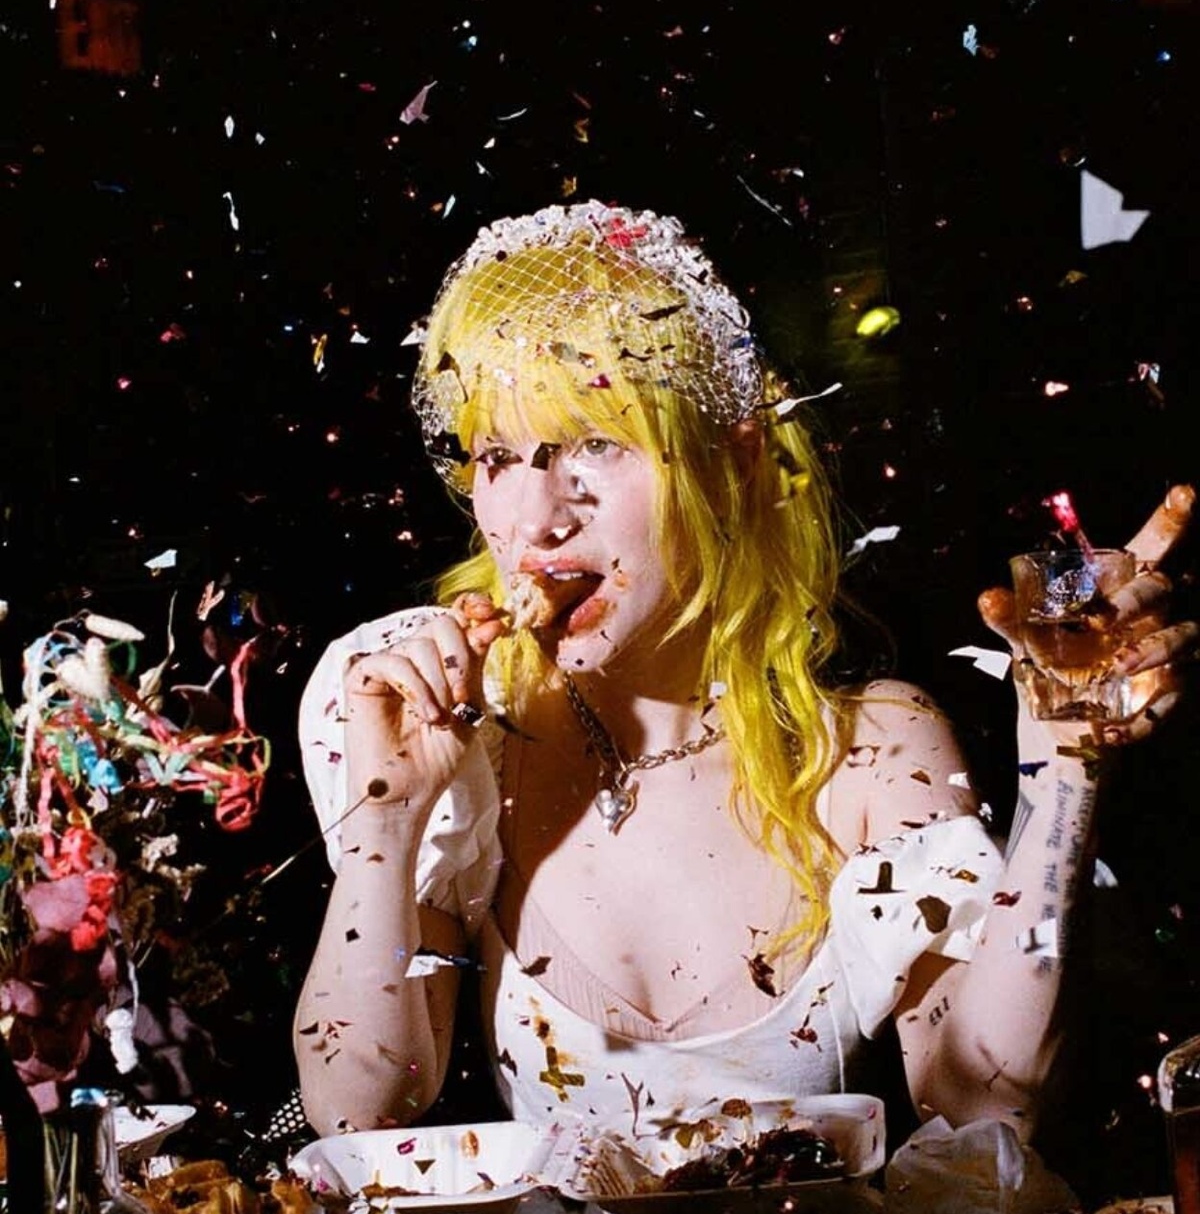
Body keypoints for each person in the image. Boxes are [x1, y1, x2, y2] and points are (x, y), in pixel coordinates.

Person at [293, 199, 1196, 1148]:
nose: (535, 521)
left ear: (730, 461)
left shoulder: (869, 749)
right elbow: (360, 1111)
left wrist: (1062, 776)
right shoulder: (461, 737)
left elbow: (987, 1108)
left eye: (597, 442)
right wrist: (386, 823)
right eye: (499, 456)